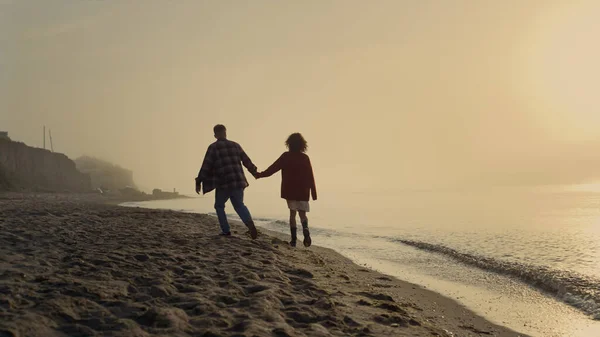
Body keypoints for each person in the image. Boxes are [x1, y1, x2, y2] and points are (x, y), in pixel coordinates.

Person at [195, 124, 259, 239]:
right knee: (239, 205)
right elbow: (246, 161)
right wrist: (255, 173)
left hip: (223, 182)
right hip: (238, 181)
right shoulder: (236, 145)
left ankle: (226, 231)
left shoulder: (213, 147)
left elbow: (206, 165)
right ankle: (250, 225)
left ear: (215, 135)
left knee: (219, 206)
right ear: (225, 133)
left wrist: (199, 180)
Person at [257, 133, 317, 247]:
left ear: (289, 144)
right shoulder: (305, 158)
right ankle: (305, 229)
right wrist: (313, 193)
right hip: (303, 191)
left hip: (290, 190)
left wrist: (260, 175)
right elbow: (310, 175)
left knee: (292, 214)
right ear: (302, 145)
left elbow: (273, 168)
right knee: (303, 215)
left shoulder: (285, 156)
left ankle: (293, 240)